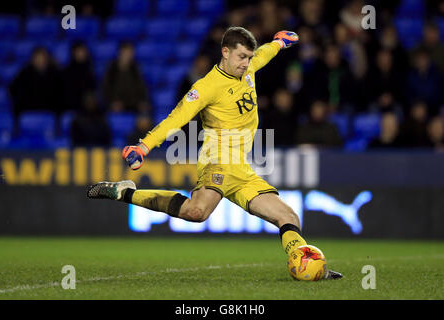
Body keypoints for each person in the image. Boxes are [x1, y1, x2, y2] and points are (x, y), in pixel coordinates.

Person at [87, 27, 341, 280]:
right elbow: (176, 118)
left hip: (240, 168)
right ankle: (125, 192)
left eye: (248, 58)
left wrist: (278, 43)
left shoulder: (249, 69)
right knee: (197, 213)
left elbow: (263, 54)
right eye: (241, 57)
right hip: (217, 161)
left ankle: (311, 267)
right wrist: (143, 147)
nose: (246, 63)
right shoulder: (207, 87)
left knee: (288, 216)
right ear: (225, 52)